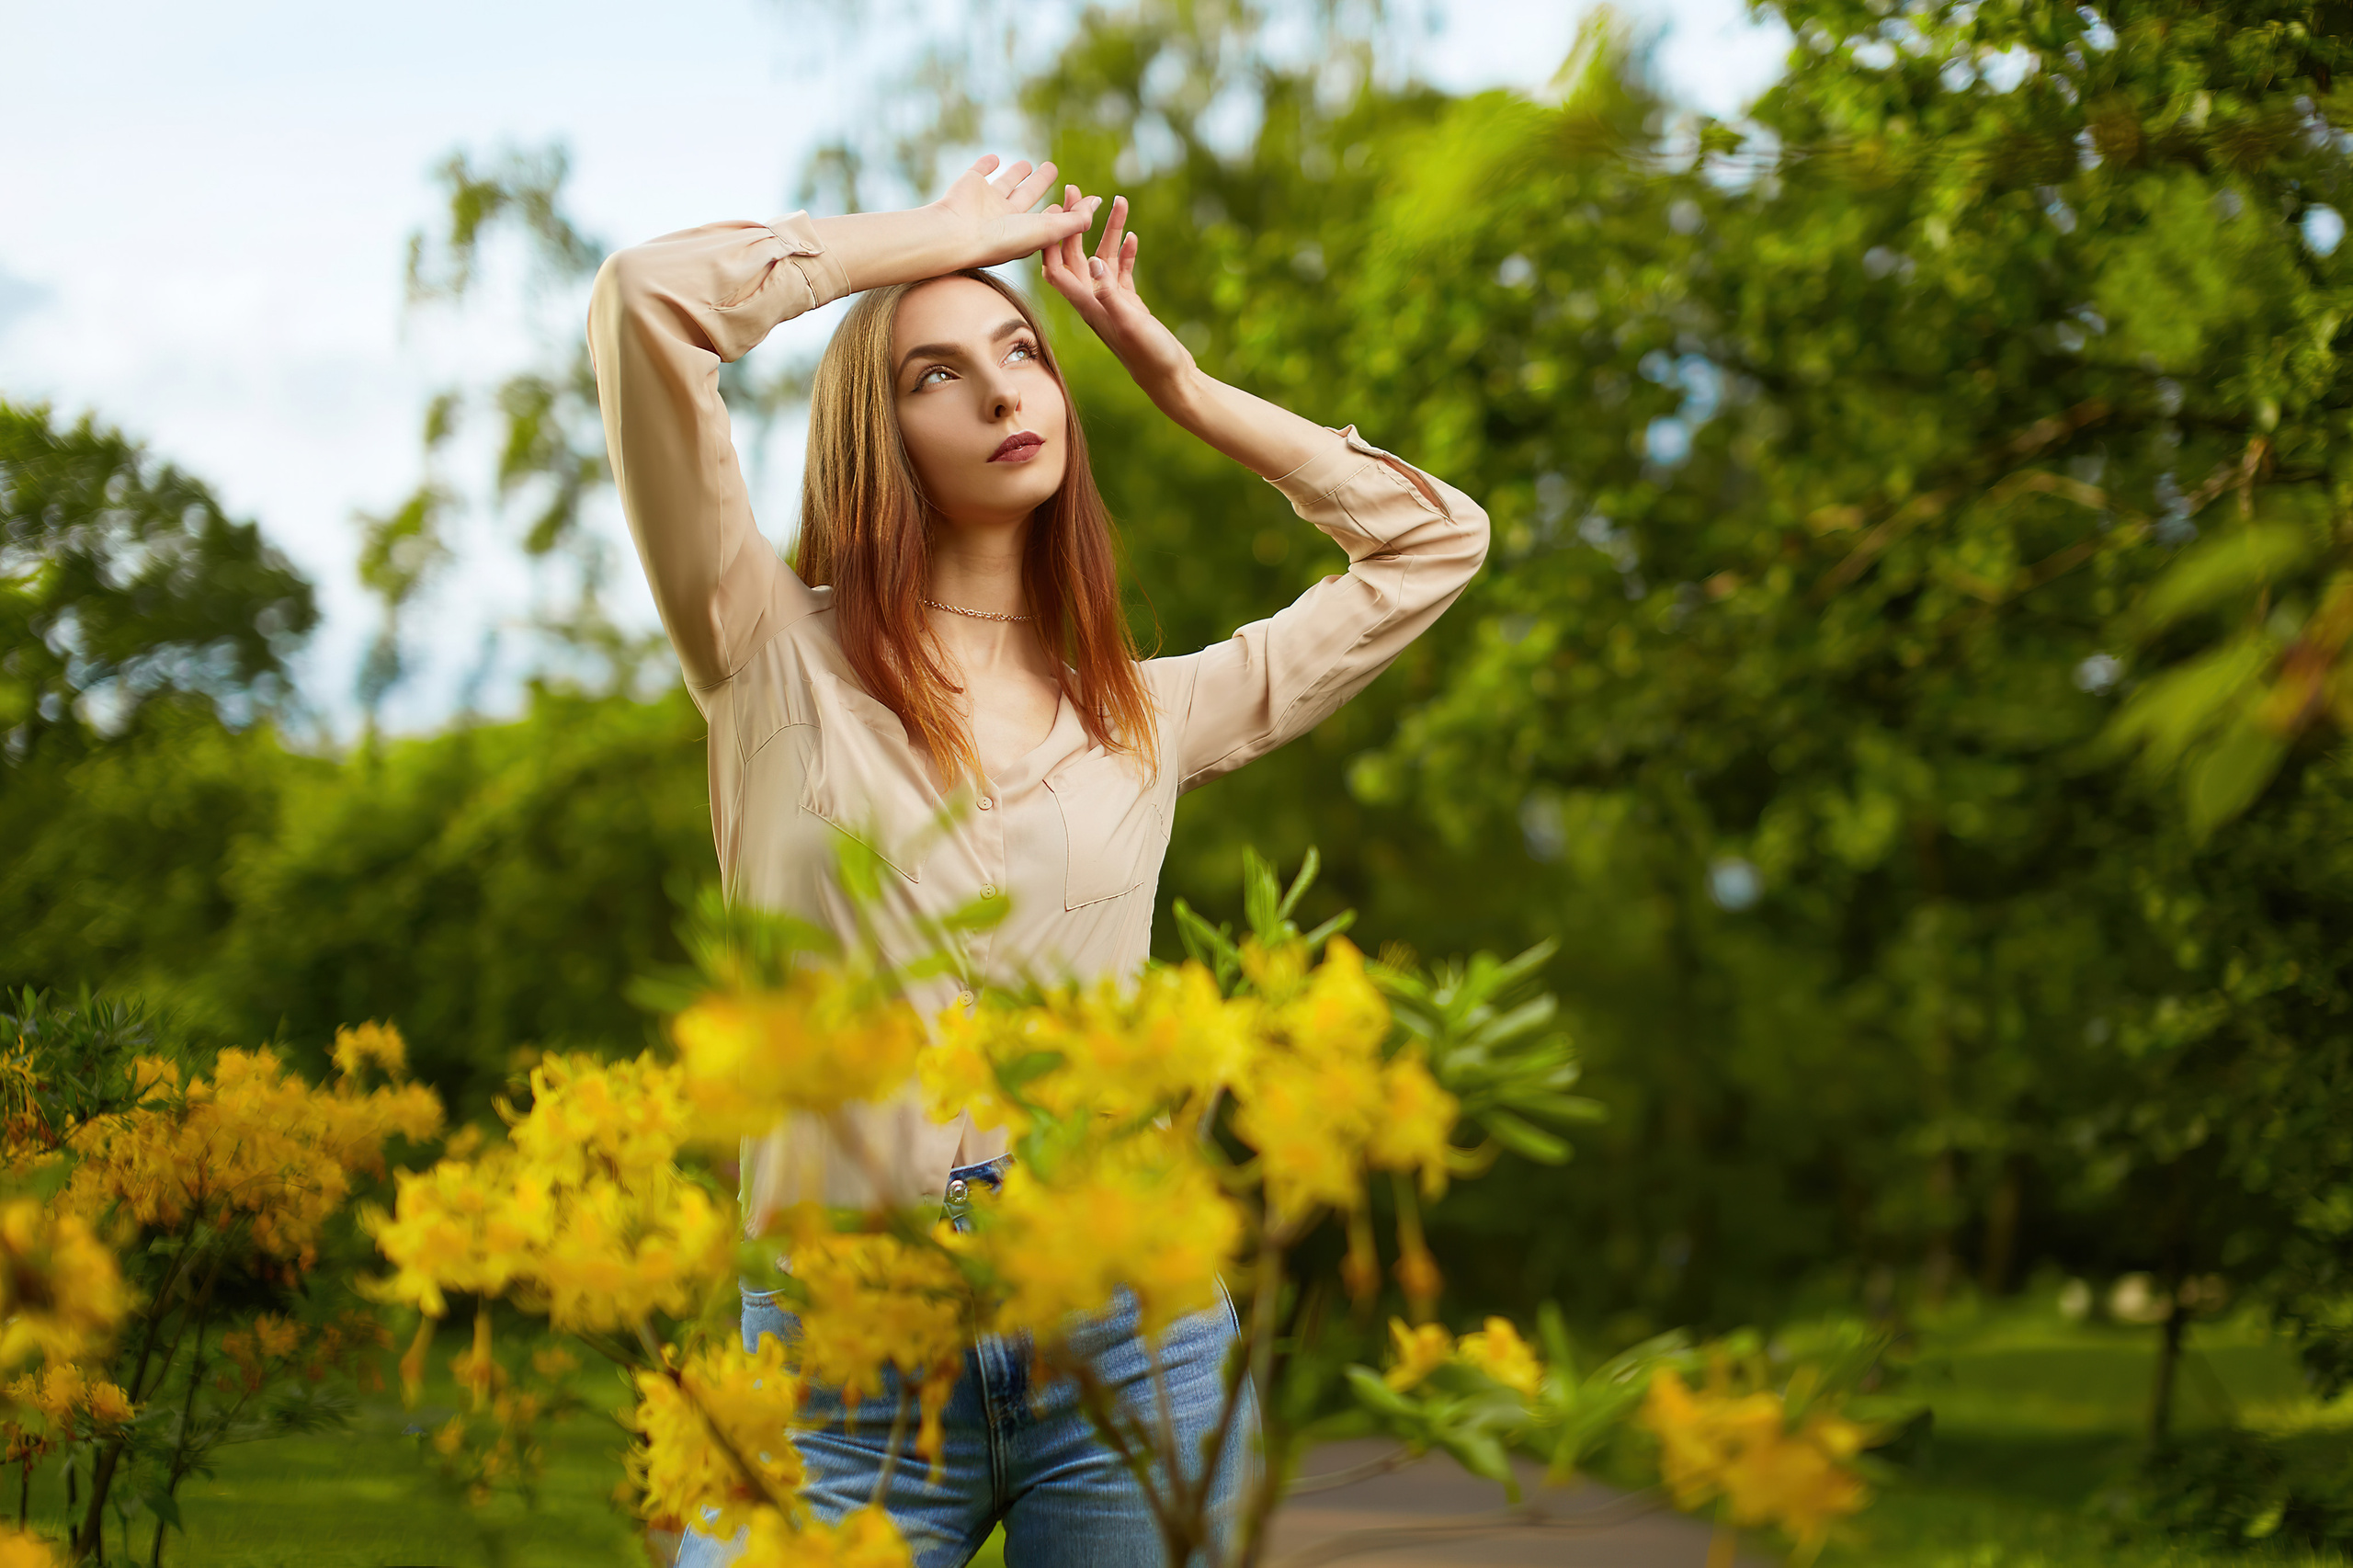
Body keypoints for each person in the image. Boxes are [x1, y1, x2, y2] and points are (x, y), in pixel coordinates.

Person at [587, 153, 1490, 1568]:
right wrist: (932, 241)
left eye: (1022, 353)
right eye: (936, 374)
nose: (1004, 393)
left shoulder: (1152, 711)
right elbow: (647, 301)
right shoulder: (763, 653)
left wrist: (1181, 385)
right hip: (836, 1365)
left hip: (1133, 1337)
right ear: (875, 435)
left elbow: (1432, 542)